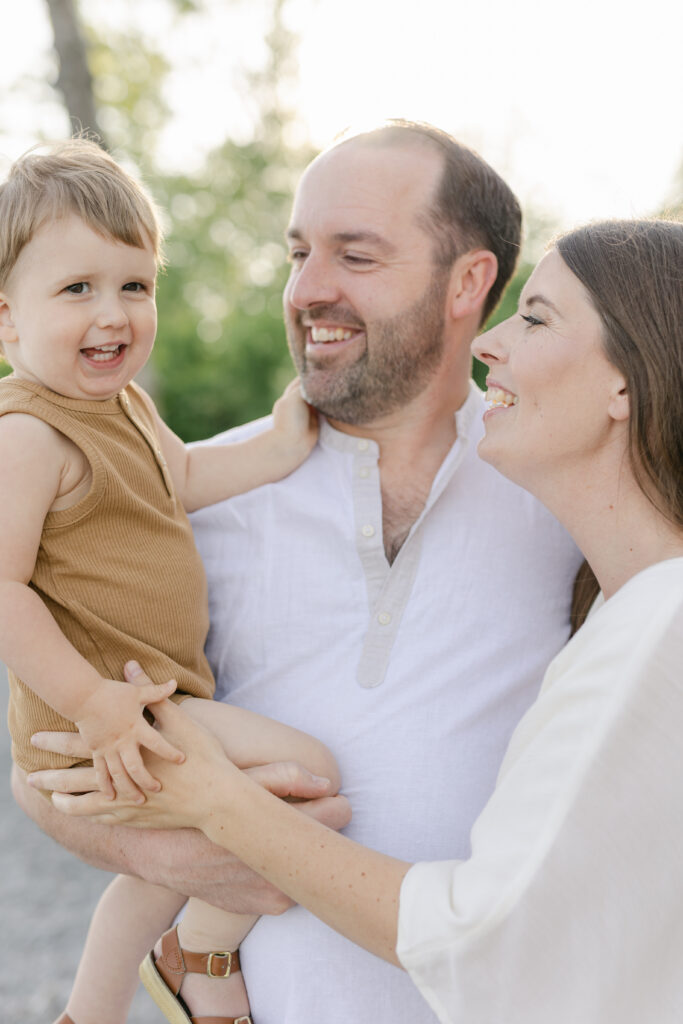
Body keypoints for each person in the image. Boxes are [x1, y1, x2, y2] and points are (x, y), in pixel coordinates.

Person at [34, 216, 683, 1023]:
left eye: (357, 252)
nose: (307, 287)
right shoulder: (197, 496)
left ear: (465, 281)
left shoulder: (652, 620)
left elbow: (485, 935)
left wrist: (218, 800)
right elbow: (51, 747)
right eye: (296, 254)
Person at [0, 139, 345, 1024]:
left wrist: (274, 451)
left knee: (170, 868)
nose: (112, 313)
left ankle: (94, 1009)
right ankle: (203, 953)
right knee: (306, 780)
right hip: (104, 712)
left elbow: (178, 481)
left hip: (145, 698)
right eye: (76, 289)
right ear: (6, 320)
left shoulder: (126, 408)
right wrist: (89, 702)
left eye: (134, 285)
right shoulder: (27, 435)